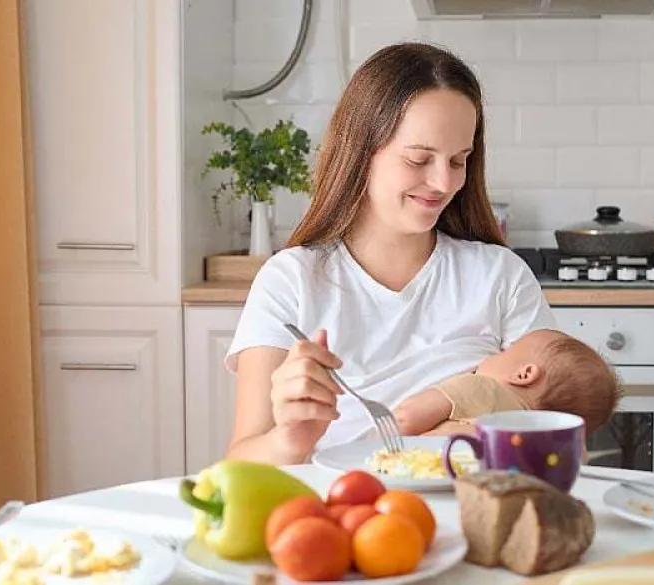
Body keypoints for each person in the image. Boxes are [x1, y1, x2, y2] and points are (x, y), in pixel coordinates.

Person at [223, 41, 559, 465]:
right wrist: (292, 438)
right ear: (361, 152)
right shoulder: (290, 279)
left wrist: (473, 425)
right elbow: (239, 464)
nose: (443, 182)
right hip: (338, 515)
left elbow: (563, 435)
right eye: (419, 159)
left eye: (459, 160)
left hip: (472, 514)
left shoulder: (500, 276)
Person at [392, 329, 621, 437]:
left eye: (508, 350)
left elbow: (406, 417)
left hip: (424, 474)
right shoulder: (530, 441)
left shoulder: (483, 388)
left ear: (523, 375)